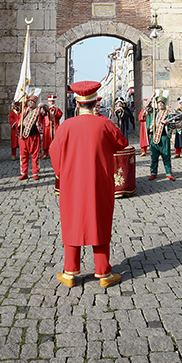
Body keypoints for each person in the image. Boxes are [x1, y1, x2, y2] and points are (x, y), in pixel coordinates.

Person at [51, 80, 128, 289]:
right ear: (95, 103)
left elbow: (53, 152)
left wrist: (62, 173)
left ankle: (70, 272)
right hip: (99, 183)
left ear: (77, 104)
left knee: (72, 221)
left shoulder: (66, 125)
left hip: (71, 184)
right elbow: (122, 143)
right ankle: (103, 272)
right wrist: (104, 122)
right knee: (99, 221)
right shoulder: (104, 123)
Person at [146, 94, 175, 181]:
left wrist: (171, 111)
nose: (161, 104)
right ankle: (153, 173)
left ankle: (168, 173)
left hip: (164, 137)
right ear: (157, 105)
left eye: (162, 103)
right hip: (154, 137)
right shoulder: (154, 112)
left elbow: (176, 117)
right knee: (154, 156)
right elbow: (146, 107)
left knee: (166, 156)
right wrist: (151, 96)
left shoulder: (167, 112)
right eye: (159, 103)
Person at [19, 92, 47, 180]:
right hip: (23, 136)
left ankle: (35, 172)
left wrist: (43, 106)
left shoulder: (38, 111)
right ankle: (24, 173)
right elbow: (15, 105)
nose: (30, 103)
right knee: (23, 155)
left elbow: (45, 111)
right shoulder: (23, 110)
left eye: (32, 101)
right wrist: (21, 96)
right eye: (29, 101)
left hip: (34, 136)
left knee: (35, 155)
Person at [42, 94, 62, 159]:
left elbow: (59, 115)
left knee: (55, 140)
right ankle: (46, 153)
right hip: (47, 126)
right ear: (48, 102)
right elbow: (42, 114)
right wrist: (48, 109)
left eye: (53, 102)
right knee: (46, 140)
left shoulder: (57, 109)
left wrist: (55, 110)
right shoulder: (46, 109)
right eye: (50, 102)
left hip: (55, 126)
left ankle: (54, 152)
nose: (51, 103)